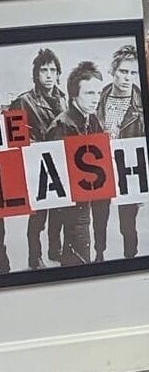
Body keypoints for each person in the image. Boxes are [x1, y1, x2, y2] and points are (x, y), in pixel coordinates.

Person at [6, 48, 67, 270]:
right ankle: (35, 257)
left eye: (53, 70)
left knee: (59, 211)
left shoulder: (63, 98)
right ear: (36, 74)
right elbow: (12, 135)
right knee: (38, 216)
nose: (49, 75)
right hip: (37, 165)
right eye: (44, 70)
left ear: (58, 73)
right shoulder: (24, 101)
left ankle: (55, 250)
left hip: (59, 163)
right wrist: (32, 146)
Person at [47, 62, 104, 266]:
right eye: (89, 93)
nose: (96, 98)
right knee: (78, 259)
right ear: (74, 96)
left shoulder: (92, 120)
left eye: (98, 92)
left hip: (86, 200)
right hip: (72, 207)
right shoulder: (62, 126)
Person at [90, 45, 143, 262]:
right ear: (113, 71)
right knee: (99, 218)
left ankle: (131, 258)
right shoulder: (98, 98)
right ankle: (99, 255)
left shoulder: (141, 105)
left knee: (128, 223)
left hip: (128, 169)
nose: (128, 77)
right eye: (123, 71)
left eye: (133, 72)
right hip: (99, 166)